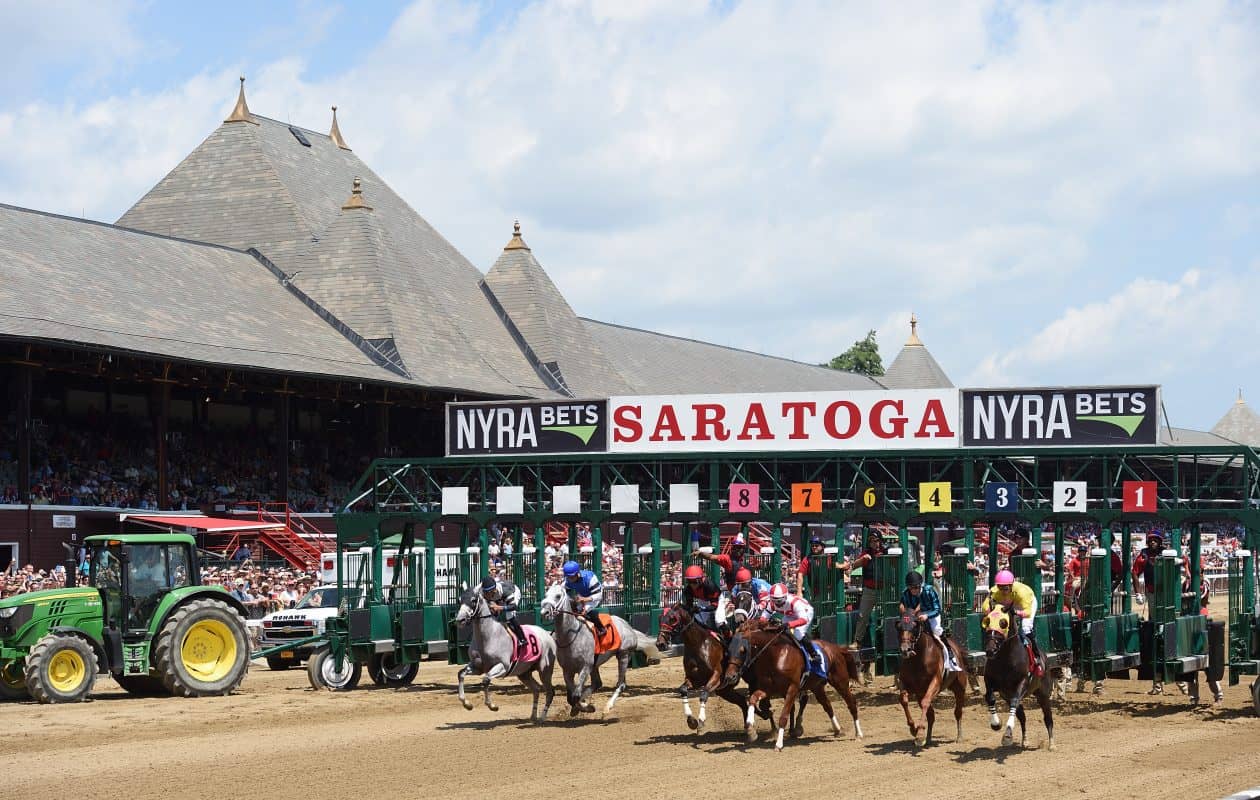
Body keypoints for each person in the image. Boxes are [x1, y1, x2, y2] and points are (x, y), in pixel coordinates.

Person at [985, 569, 1042, 675]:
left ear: (1011, 585)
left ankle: (1036, 656)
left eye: (1005, 588)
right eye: (1000, 587)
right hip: (1008, 603)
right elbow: (985, 607)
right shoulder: (995, 591)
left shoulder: (1022, 592)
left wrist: (1016, 612)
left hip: (1025, 604)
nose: (1002, 590)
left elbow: (1028, 612)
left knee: (1025, 627)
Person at [900, 571, 959, 672]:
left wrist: (927, 616)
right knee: (905, 629)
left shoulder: (929, 590)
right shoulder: (906, 593)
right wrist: (907, 618)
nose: (914, 590)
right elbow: (906, 608)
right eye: (911, 588)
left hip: (932, 614)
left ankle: (950, 655)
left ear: (920, 585)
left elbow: (937, 609)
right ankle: (907, 650)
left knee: (936, 630)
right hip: (915, 615)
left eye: (916, 587)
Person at [838, 529, 885, 649]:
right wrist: (863, 559)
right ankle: (857, 641)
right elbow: (854, 566)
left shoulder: (886, 551)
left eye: (876, 541)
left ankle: (890, 641)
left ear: (880, 541)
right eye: (871, 541)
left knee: (888, 614)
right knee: (862, 616)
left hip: (884, 590)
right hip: (869, 590)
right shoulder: (866, 553)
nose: (874, 543)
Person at [760, 583, 820, 671]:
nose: (777, 604)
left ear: (785, 597)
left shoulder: (794, 602)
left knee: (798, 634)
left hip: (805, 612)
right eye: (774, 600)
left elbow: (804, 620)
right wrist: (764, 623)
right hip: (790, 613)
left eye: (779, 601)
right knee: (781, 632)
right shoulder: (771, 603)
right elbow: (763, 618)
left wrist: (789, 625)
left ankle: (813, 654)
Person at [562, 559, 606, 637]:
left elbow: (598, 595)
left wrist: (584, 599)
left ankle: (601, 628)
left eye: (571, 577)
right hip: (582, 595)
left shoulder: (590, 578)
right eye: (568, 577)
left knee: (584, 610)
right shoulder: (568, 580)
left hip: (594, 596)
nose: (569, 579)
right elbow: (564, 591)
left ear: (577, 573)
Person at [481, 575, 525, 649]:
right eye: (485, 592)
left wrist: (499, 608)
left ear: (494, 590)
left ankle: (522, 639)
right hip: (499, 597)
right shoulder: (485, 592)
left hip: (513, 592)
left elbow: (513, 607)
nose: (486, 595)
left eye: (488, 593)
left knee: (509, 615)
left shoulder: (506, 592)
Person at [681, 564, 722, 629]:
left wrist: (702, 608)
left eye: (694, 581)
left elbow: (714, 606)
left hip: (718, 600)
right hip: (703, 600)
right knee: (697, 622)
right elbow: (689, 606)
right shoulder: (688, 590)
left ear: (700, 580)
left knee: (719, 621)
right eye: (689, 581)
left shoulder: (710, 586)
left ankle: (729, 638)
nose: (692, 584)